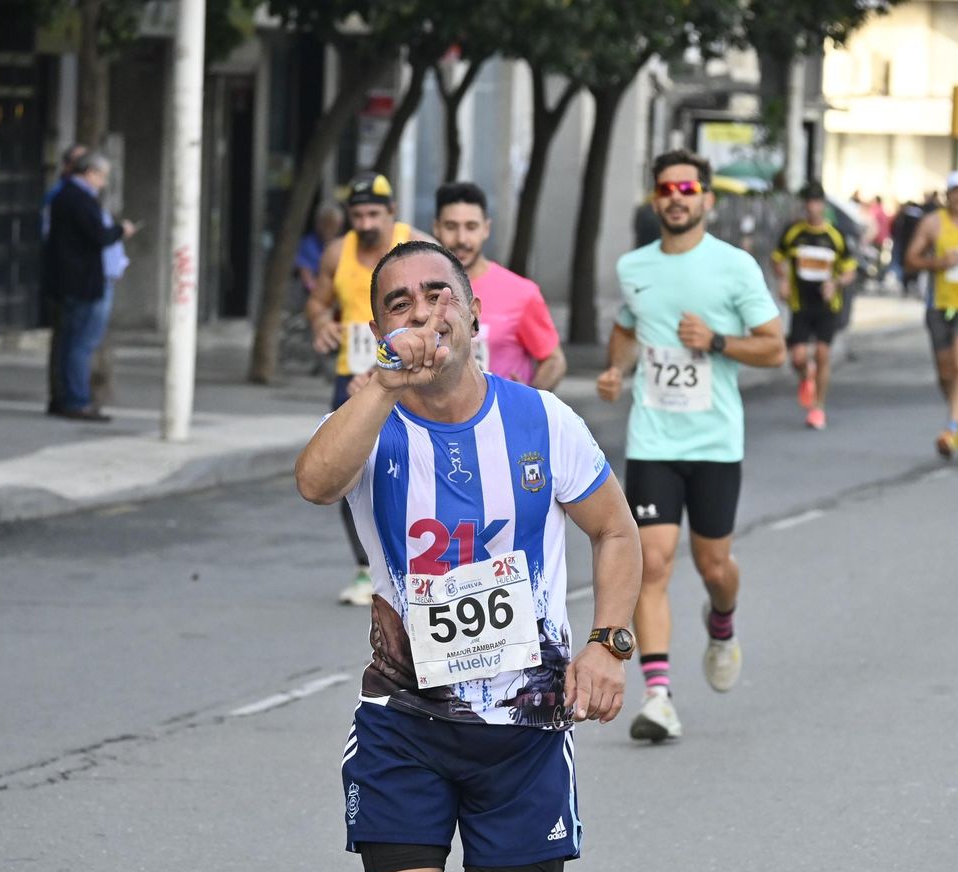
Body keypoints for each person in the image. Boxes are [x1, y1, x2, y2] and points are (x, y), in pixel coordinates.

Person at [295, 240, 640, 872]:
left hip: (522, 726)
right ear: (379, 326)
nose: (422, 313)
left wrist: (608, 644)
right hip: (402, 717)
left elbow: (617, 530)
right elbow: (314, 482)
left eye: (438, 295)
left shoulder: (541, 421)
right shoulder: (371, 420)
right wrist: (380, 384)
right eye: (399, 303)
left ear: (473, 311)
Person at [596, 149, 786, 743]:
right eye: (665, 188)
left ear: (706, 198)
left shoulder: (735, 268)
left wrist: (718, 341)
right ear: (656, 200)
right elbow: (629, 324)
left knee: (714, 567)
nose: (675, 197)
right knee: (651, 562)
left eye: (687, 187)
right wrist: (614, 370)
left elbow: (775, 348)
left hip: (714, 443)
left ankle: (722, 620)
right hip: (653, 438)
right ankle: (658, 697)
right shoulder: (634, 265)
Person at [306, 173, 432, 606]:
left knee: (409, 463)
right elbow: (319, 301)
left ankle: (421, 558)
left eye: (373, 213)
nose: (365, 222)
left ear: (391, 212)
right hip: (355, 374)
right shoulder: (338, 253)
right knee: (348, 468)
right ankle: (365, 567)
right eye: (357, 214)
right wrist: (321, 323)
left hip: (407, 374)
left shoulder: (414, 245)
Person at [432, 182, 567, 390]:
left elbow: (554, 360)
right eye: (451, 227)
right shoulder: (423, 290)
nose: (461, 239)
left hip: (502, 421)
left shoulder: (521, 293)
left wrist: (530, 399)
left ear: (486, 229)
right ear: (437, 228)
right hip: (433, 418)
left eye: (471, 227)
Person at [904, 170, 958, 458]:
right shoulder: (933, 223)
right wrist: (939, 262)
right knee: (945, 372)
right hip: (939, 304)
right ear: (947, 194)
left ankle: (950, 429)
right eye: (953, 191)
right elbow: (910, 260)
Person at [45, 151, 133, 421]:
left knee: (71, 342)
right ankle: (76, 400)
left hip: (73, 280)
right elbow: (97, 236)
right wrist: (120, 231)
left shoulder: (64, 196)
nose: (103, 183)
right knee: (80, 343)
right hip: (84, 282)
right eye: (102, 177)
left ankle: (66, 397)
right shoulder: (78, 199)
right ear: (90, 173)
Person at [773, 182, 857, 430]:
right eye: (808, 202)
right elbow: (778, 258)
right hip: (801, 303)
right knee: (798, 357)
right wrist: (784, 279)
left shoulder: (835, 236)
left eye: (816, 202)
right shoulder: (794, 233)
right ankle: (805, 375)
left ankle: (818, 408)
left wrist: (836, 282)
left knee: (822, 354)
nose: (812, 207)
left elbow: (850, 269)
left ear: (823, 205)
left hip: (827, 304)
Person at [41, 142, 84, 415]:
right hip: (65, 277)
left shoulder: (77, 194)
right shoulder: (62, 196)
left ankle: (66, 394)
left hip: (73, 276)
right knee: (66, 339)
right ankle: (64, 395)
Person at [296, 201, 345, 294]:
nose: (330, 229)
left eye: (334, 225)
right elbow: (306, 276)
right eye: (327, 224)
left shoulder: (343, 245)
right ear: (318, 223)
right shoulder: (307, 244)